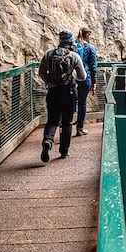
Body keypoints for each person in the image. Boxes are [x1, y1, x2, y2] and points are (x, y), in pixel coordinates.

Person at [38, 30, 86, 163]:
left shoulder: (49, 54)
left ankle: (48, 140)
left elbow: (41, 72)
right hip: (69, 92)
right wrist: (71, 78)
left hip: (53, 92)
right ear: (71, 42)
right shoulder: (74, 56)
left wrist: (50, 81)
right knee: (67, 122)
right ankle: (64, 151)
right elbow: (83, 76)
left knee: (52, 120)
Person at [74, 27, 98, 136]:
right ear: (88, 35)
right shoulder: (90, 47)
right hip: (84, 79)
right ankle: (80, 128)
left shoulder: (73, 46)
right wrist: (94, 82)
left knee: (69, 103)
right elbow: (93, 66)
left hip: (72, 79)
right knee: (82, 103)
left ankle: (64, 130)